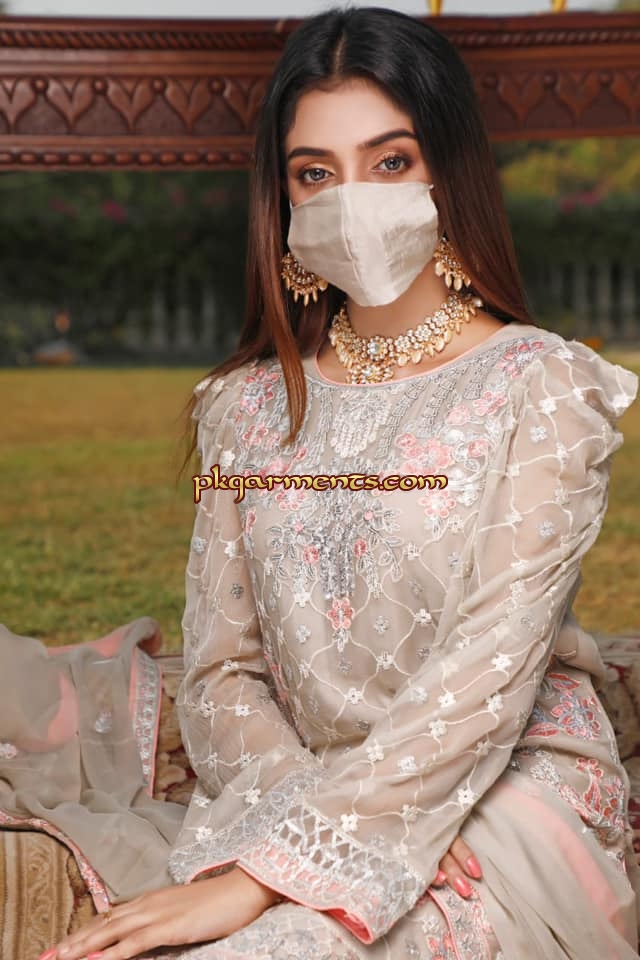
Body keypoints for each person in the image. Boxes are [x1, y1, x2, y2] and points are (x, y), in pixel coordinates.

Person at [45, 6, 639, 960]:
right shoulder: (241, 408)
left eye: (391, 161)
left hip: (509, 794)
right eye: (315, 173)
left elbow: (490, 671)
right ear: (283, 199)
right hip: (301, 792)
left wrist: (279, 871)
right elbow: (221, 675)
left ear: (450, 171)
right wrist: (318, 833)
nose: (352, 200)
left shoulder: (544, 387)